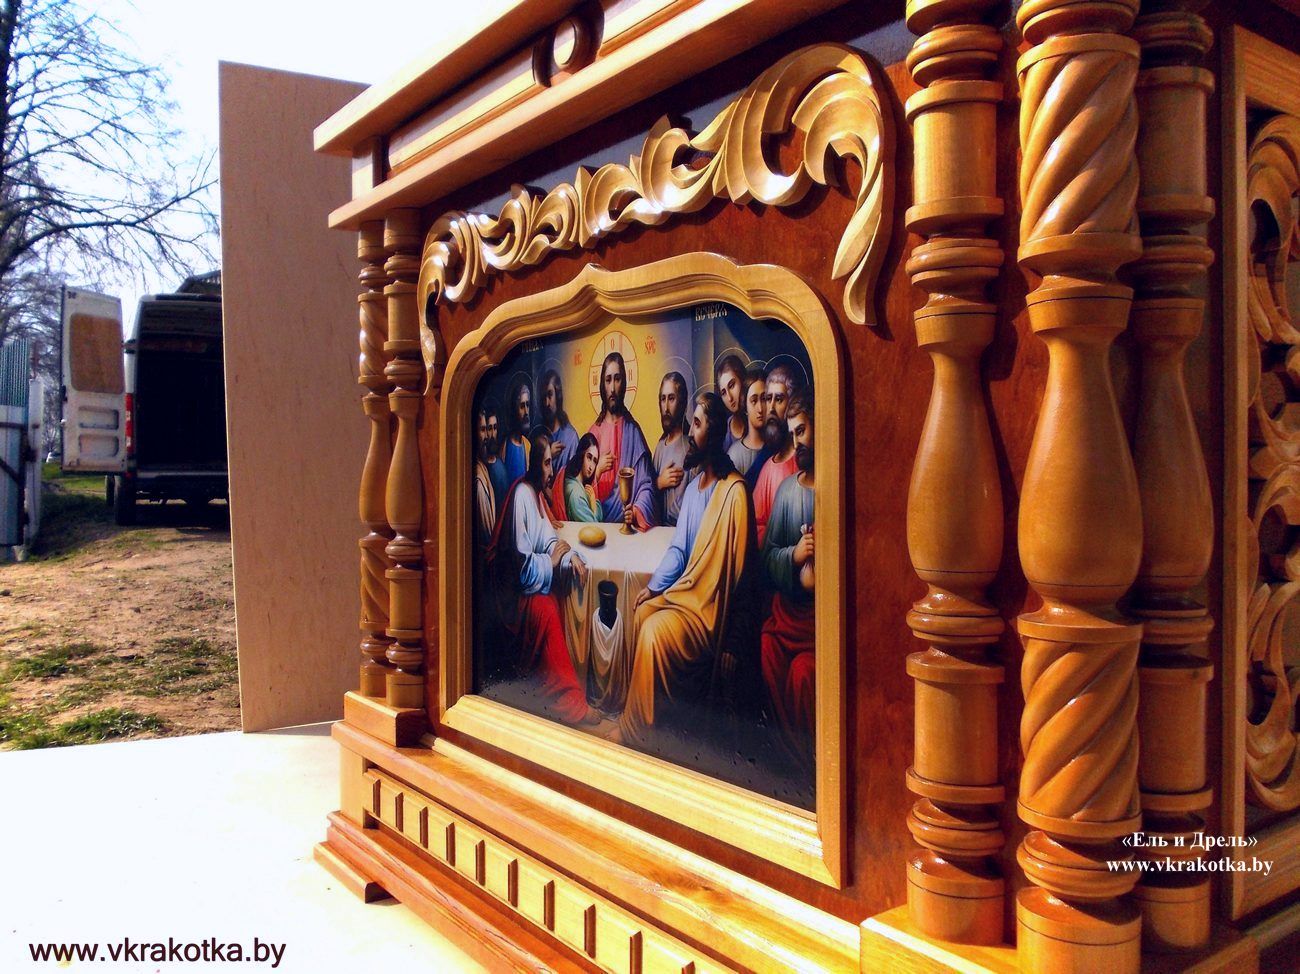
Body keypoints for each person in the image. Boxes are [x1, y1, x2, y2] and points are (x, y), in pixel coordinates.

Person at [616, 392, 752, 747]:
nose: (691, 432)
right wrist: (653, 588)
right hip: (688, 596)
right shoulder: (693, 490)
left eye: (698, 424)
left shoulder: (734, 493)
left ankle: (638, 733)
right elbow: (679, 551)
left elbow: (743, 579)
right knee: (641, 612)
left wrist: (733, 642)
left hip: (708, 614)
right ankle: (651, 721)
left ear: (715, 433)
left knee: (653, 632)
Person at [485, 433, 593, 725]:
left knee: (556, 599)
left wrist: (569, 558)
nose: (551, 471)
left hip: (527, 584)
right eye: (547, 464)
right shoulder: (522, 495)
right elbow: (519, 568)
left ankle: (558, 693)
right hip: (511, 597)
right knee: (546, 610)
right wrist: (552, 562)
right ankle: (569, 702)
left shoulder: (535, 495)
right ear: (535, 465)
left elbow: (549, 542)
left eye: (551, 463)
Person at [760, 393, 816, 767]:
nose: (798, 442)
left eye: (803, 431)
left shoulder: (836, 489)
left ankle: (807, 762)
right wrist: (794, 556)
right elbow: (768, 557)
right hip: (787, 619)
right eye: (793, 433)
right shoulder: (787, 491)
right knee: (767, 649)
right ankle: (788, 759)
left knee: (802, 674)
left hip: (818, 626)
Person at [587, 351, 656, 530]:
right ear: (602, 385)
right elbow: (579, 490)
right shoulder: (593, 434)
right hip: (599, 527)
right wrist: (597, 471)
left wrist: (636, 510)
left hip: (629, 527)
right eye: (608, 380)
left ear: (623, 383)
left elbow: (646, 485)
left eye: (617, 379)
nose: (612, 388)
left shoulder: (633, 432)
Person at [751, 364, 802, 545]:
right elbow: (756, 524)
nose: (770, 408)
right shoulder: (768, 468)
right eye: (768, 399)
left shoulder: (804, 460)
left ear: (791, 404)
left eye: (779, 399)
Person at [652, 371, 690, 526]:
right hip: (660, 531)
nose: (666, 407)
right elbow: (649, 496)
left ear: (682, 402)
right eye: (663, 399)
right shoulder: (660, 447)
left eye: (671, 398)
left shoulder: (691, 446)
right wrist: (659, 483)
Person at [727, 365, 772, 485]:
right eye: (754, 401)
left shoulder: (775, 448)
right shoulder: (735, 455)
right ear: (745, 407)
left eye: (764, 399)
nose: (760, 409)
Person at [536, 369, 579, 473]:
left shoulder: (571, 438)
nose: (546, 403)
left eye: (550, 395)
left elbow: (573, 477)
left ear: (558, 396)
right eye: (543, 397)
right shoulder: (538, 434)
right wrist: (548, 455)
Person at [562, 433, 602, 522]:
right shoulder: (576, 492)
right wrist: (593, 505)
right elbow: (594, 526)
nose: (591, 466)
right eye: (589, 457)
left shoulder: (579, 485)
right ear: (581, 455)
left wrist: (593, 502)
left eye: (595, 461)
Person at [501, 376, 533, 484]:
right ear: (514, 410)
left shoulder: (527, 446)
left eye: (528, 405)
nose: (526, 412)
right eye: (522, 406)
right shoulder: (505, 446)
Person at [473, 408, 497, 547]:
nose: (487, 436)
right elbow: (488, 537)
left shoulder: (482, 467)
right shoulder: (479, 482)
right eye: (482, 430)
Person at [715, 353, 747, 453]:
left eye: (732, 385)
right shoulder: (723, 433)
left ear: (742, 380)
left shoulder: (758, 421)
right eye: (723, 393)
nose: (729, 398)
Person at [482, 408, 510, 517]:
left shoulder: (500, 466)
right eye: (489, 428)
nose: (493, 434)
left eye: (495, 428)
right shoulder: (481, 466)